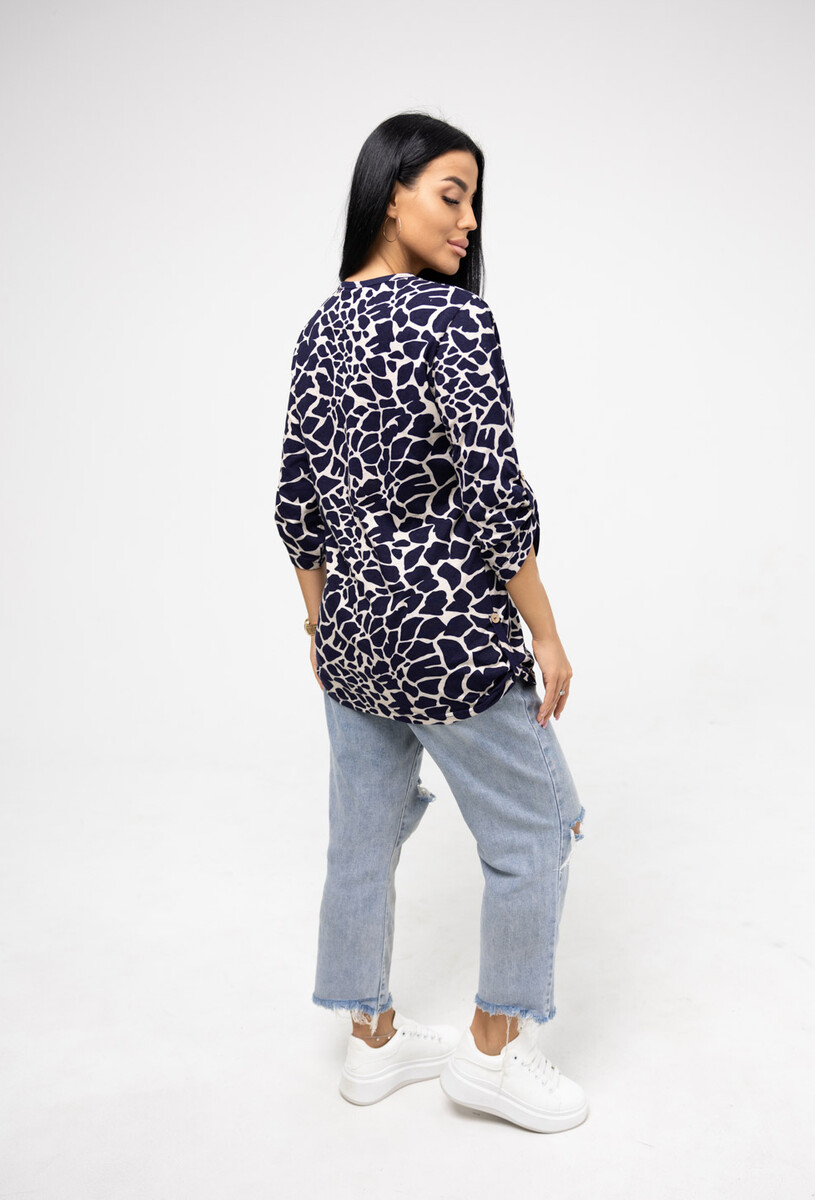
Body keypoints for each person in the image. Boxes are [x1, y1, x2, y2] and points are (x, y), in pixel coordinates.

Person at [274, 112, 589, 1134]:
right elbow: (494, 494)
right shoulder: (454, 320)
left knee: (359, 842)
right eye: (451, 195)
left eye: (474, 202)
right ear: (390, 194)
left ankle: (369, 1043)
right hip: (448, 635)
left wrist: (321, 625)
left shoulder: (320, 327)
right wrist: (545, 632)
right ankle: (492, 1052)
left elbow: (296, 503)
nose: (468, 221)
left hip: (353, 638)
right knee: (539, 828)